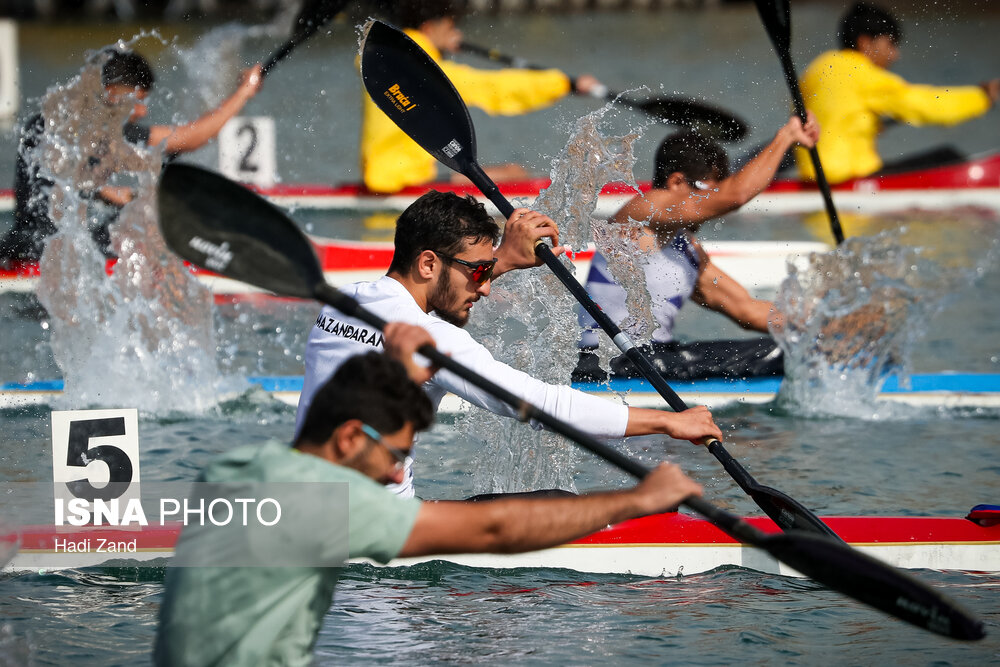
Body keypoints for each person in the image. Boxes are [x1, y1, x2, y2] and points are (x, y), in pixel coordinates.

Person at [155, 332, 703, 666]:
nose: (398, 470)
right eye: (394, 452)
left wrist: (395, 372)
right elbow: (495, 532)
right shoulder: (333, 507)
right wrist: (634, 501)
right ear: (348, 438)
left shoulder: (230, 470)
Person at [296, 190, 723, 497]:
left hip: (314, 513)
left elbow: (426, 300)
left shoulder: (342, 304)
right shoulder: (436, 343)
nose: (483, 289)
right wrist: (669, 422)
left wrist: (501, 260)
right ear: (428, 262)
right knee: (555, 504)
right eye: (478, 272)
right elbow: (541, 405)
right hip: (381, 534)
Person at [574, 114, 820, 384]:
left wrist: (824, 327)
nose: (712, 206)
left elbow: (746, 309)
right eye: (707, 192)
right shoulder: (640, 212)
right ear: (676, 183)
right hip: (608, 361)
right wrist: (786, 136)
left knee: (801, 345)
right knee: (786, 353)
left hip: (654, 357)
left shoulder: (685, 250)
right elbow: (735, 196)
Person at [0, 48, 262, 264]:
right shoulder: (102, 123)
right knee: (152, 225)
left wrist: (110, 194)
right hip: (54, 253)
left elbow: (61, 181)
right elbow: (191, 138)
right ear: (112, 91)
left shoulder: (50, 118)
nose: (140, 112)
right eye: (138, 101)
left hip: (20, 244)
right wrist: (243, 93)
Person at [360, 0, 604, 193]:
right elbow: (497, 87)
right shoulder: (430, 75)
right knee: (514, 174)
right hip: (406, 181)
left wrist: (439, 49)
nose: (456, 33)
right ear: (429, 28)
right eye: (450, 27)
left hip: (382, 175)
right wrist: (565, 84)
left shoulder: (385, 63)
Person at [796, 1, 1000, 184]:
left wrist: (870, 123)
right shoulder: (863, 75)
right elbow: (926, 106)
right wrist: (982, 97)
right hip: (849, 179)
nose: (895, 55)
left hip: (814, 178)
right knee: (947, 157)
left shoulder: (816, 69)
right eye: (890, 44)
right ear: (865, 43)